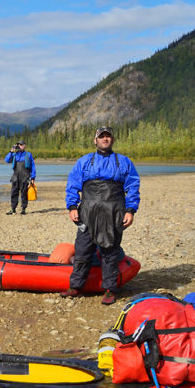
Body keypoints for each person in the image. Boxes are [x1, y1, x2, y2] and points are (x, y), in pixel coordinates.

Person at [60, 126, 140, 305]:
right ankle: (76, 287)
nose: (105, 139)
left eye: (108, 137)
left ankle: (110, 290)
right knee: (82, 249)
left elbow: (133, 187)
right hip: (87, 211)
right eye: (101, 137)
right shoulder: (84, 161)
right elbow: (73, 184)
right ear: (95, 140)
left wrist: (130, 210)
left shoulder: (124, 162)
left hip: (114, 211)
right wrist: (72, 206)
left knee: (110, 251)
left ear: (112, 140)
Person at [4, 141, 36, 215]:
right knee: (14, 192)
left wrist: (33, 177)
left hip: (25, 175)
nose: (19, 146)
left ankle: (23, 209)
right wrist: (11, 151)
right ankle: (13, 209)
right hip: (15, 176)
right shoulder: (14, 154)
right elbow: (6, 160)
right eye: (18, 145)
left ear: (25, 146)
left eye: (21, 144)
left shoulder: (28, 155)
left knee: (24, 193)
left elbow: (33, 166)